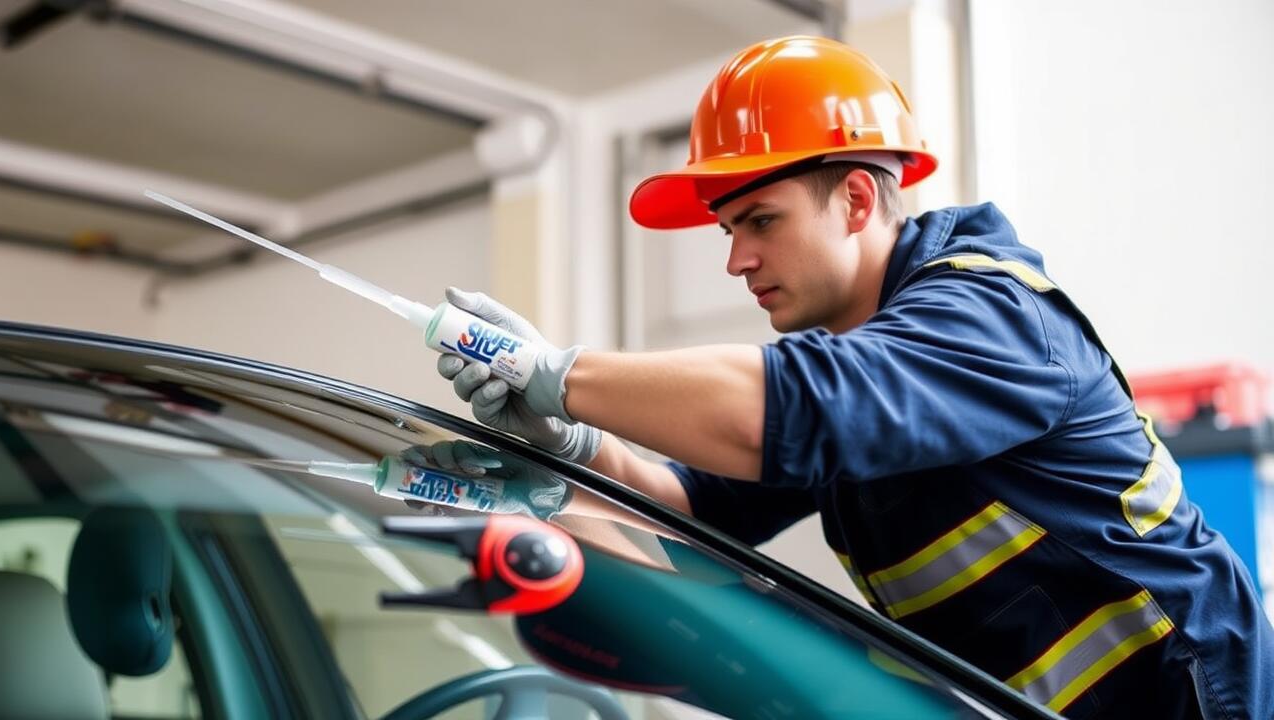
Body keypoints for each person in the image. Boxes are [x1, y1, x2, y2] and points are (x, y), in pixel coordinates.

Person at [433, 36, 1272, 718]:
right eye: (728, 229)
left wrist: (549, 372)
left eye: (760, 220)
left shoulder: (988, 316)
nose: (736, 259)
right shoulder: (863, 363)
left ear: (859, 201)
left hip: (1187, 697)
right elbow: (698, 503)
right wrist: (578, 443)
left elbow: (792, 405)